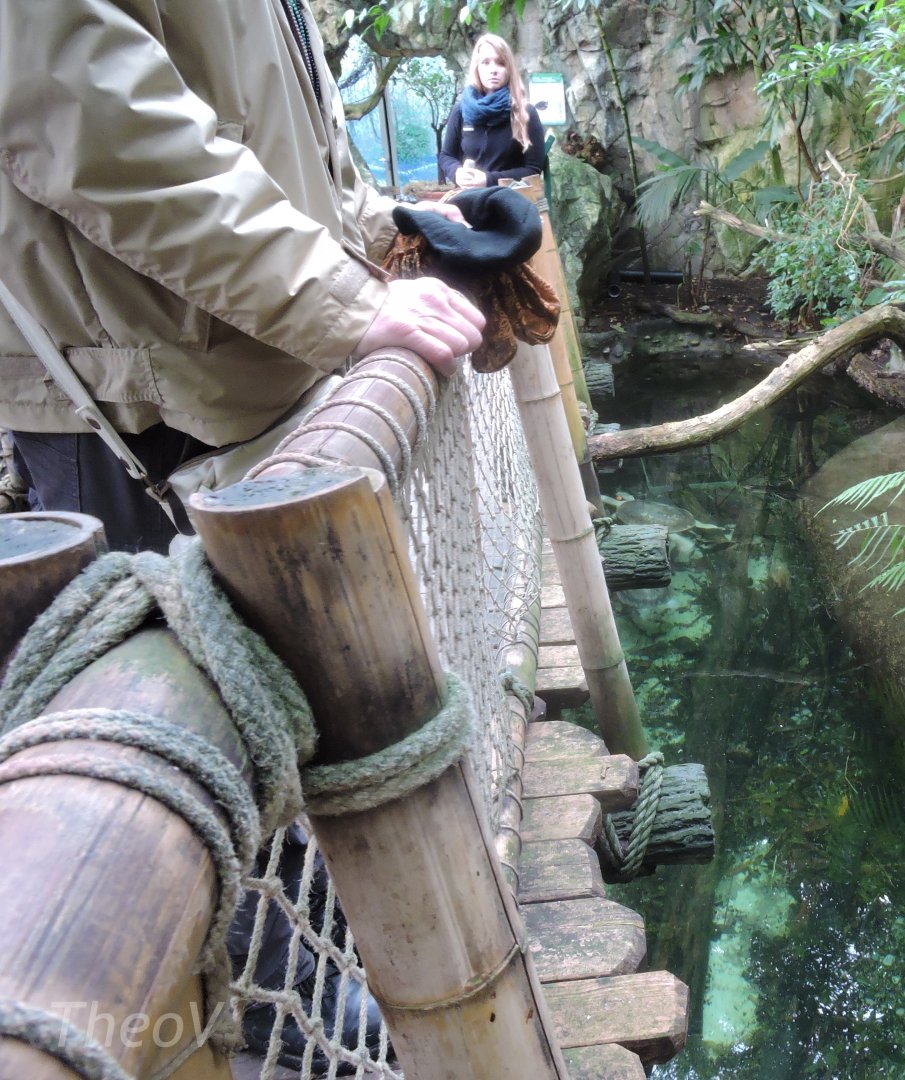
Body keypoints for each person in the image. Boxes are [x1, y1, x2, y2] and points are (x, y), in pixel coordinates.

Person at [0, 1, 488, 1073]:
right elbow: (96, 121)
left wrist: (393, 232)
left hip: (256, 368)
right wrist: (338, 302)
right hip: (132, 405)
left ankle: (334, 997)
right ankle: (286, 1031)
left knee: (292, 727)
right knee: (197, 751)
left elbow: (286, 133)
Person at [438, 34, 547, 190]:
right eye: (486, 63)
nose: (493, 70)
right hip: (470, 201)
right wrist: (457, 173)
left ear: (509, 69)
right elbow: (446, 156)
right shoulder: (461, 110)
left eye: (500, 63)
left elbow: (533, 169)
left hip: (510, 204)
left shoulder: (525, 113)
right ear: (477, 68)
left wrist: (488, 179)